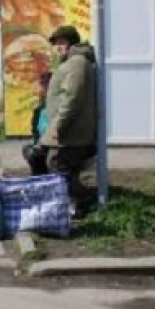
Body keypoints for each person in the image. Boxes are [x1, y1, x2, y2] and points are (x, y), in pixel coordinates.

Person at [40, 25, 98, 203]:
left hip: (71, 131)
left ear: (71, 42)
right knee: (56, 164)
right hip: (69, 130)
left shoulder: (77, 63)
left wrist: (59, 125)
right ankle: (74, 201)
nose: (58, 47)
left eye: (62, 42)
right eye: (56, 43)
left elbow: (72, 97)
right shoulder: (71, 62)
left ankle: (75, 202)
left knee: (57, 163)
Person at [21, 72, 52, 176]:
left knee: (34, 154)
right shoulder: (40, 109)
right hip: (43, 144)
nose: (37, 90)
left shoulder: (52, 107)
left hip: (51, 145)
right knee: (29, 151)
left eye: (41, 86)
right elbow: (36, 131)